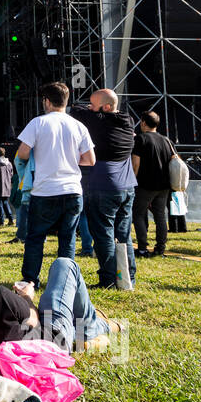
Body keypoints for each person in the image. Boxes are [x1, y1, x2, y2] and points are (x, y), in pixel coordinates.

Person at [0, 238, 117, 352]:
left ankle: (93, 326)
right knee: (64, 265)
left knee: (53, 307)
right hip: (50, 342)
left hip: (30, 341)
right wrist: (27, 297)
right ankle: (101, 327)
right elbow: (34, 321)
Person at [15, 82, 95, 286]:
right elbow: (90, 160)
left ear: (47, 101)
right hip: (72, 190)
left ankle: (31, 280)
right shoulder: (79, 126)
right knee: (67, 239)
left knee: (35, 238)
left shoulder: (38, 123)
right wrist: (69, 160)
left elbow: (23, 153)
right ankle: (66, 282)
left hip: (45, 191)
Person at [68, 89, 136, 289]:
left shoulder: (100, 123)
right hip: (127, 185)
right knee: (123, 235)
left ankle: (109, 280)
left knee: (104, 234)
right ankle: (127, 278)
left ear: (106, 107)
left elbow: (76, 111)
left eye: (93, 105)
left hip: (104, 186)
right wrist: (95, 109)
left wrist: (89, 110)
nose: (89, 108)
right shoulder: (126, 120)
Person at [131, 111, 175, 257]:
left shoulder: (140, 139)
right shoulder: (166, 140)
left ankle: (142, 247)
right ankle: (160, 248)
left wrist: (132, 182)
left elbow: (135, 164)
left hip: (145, 184)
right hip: (164, 185)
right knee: (160, 216)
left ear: (143, 123)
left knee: (138, 214)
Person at [0, 148, 14, 225]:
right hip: (7, 186)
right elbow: (11, 174)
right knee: (5, 203)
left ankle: (1, 221)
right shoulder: (9, 163)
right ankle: (10, 219)